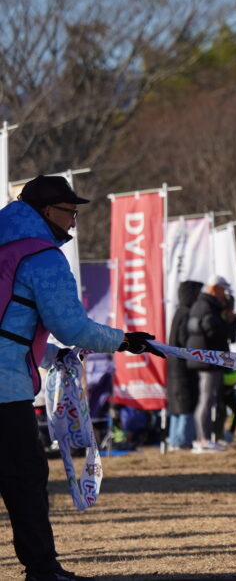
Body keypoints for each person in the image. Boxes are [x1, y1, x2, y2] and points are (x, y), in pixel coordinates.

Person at [1, 175, 155, 581]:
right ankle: (42, 570)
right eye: (70, 212)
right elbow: (73, 327)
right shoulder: (42, 256)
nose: (73, 222)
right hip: (4, 390)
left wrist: (51, 355)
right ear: (46, 211)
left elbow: (9, 326)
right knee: (24, 479)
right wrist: (125, 341)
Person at [186, 274, 236, 453]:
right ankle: (203, 440)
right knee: (206, 399)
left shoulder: (203, 305)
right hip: (207, 360)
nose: (224, 294)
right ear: (214, 288)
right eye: (222, 290)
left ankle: (206, 438)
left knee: (208, 399)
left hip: (206, 359)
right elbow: (212, 331)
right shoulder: (206, 306)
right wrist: (228, 323)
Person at [166, 279, 202, 450]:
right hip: (183, 367)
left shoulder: (178, 312)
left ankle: (175, 439)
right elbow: (184, 340)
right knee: (186, 403)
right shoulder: (187, 313)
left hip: (174, 367)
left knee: (177, 405)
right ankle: (182, 440)